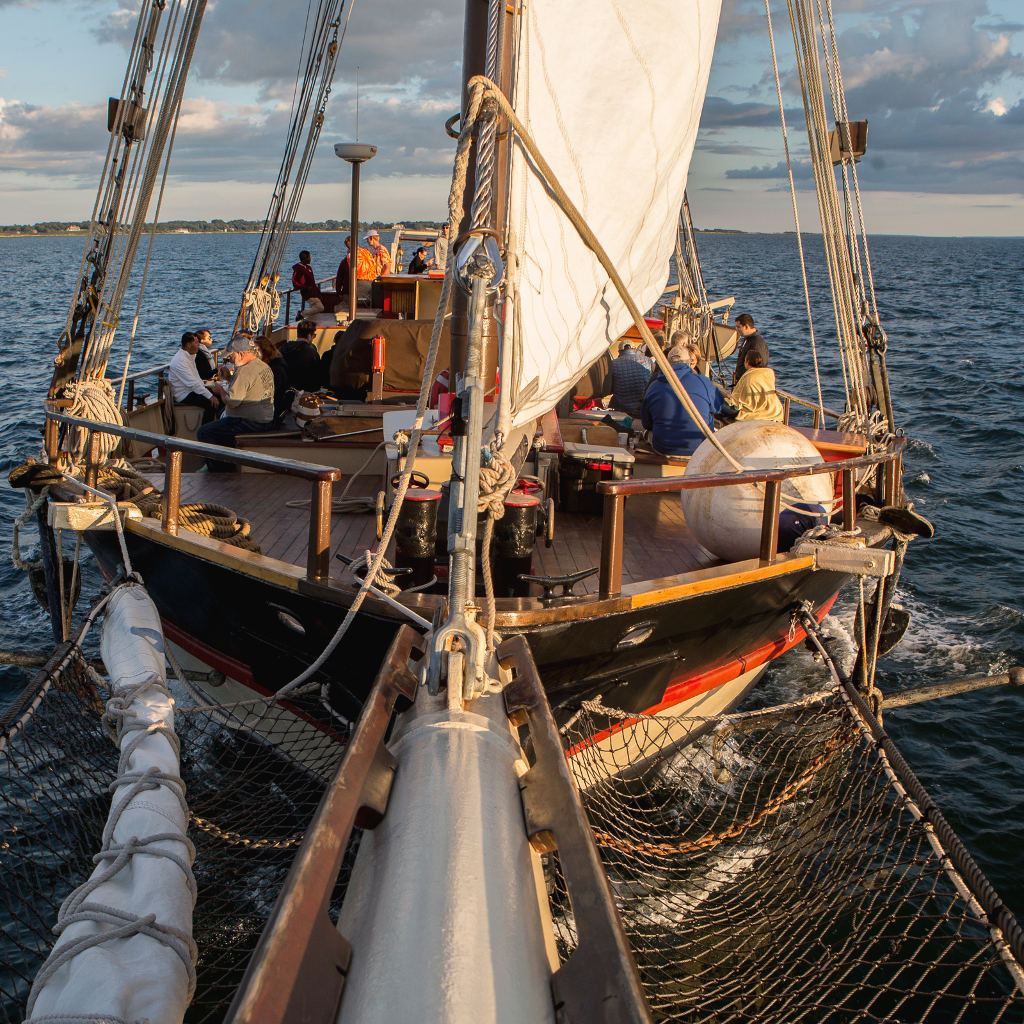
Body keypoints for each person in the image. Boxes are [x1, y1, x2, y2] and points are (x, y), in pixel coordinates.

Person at [197, 334, 276, 471]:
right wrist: (229, 378)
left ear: (240, 353)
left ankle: (219, 470)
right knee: (220, 423)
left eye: (231, 356)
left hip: (250, 422)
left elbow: (232, 402)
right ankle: (227, 463)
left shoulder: (244, 371)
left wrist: (220, 391)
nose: (230, 359)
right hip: (265, 418)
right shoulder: (262, 366)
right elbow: (248, 388)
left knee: (204, 432)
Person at [641, 341, 724, 456]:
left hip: (664, 448)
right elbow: (718, 407)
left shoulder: (654, 386)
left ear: (667, 363)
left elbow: (646, 423)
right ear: (689, 362)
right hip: (699, 448)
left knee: (647, 432)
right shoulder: (704, 382)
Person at [168, 332, 224, 424]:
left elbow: (197, 379)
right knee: (210, 403)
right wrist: (210, 396)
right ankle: (205, 430)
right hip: (183, 394)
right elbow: (193, 384)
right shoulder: (180, 361)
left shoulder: (190, 356)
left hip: (191, 390)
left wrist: (210, 386)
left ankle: (219, 424)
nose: (199, 345)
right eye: (196, 343)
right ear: (188, 345)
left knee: (220, 396)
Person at [730, 350, 785, 422]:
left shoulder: (748, 376)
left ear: (747, 362)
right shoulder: (769, 372)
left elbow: (739, 398)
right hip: (774, 409)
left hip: (752, 411)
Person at [609, 342, 652, 418]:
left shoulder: (613, 364)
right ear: (634, 349)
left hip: (622, 409)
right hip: (642, 407)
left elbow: (610, 388)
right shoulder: (648, 360)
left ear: (619, 351)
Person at [280, 319, 323, 393]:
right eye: (314, 335)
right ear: (309, 336)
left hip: (286, 390)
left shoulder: (284, 348)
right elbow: (317, 376)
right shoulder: (312, 352)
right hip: (305, 391)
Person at [256, 337, 291, 427]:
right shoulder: (276, 362)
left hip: (271, 415)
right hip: (273, 410)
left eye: (256, 352)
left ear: (264, 352)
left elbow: (267, 395)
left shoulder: (275, 369)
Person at [733, 313, 769, 385]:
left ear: (746, 326)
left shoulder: (757, 342)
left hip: (750, 382)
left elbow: (759, 365)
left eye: (738, 327)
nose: (736, 329)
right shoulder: (748, 339)